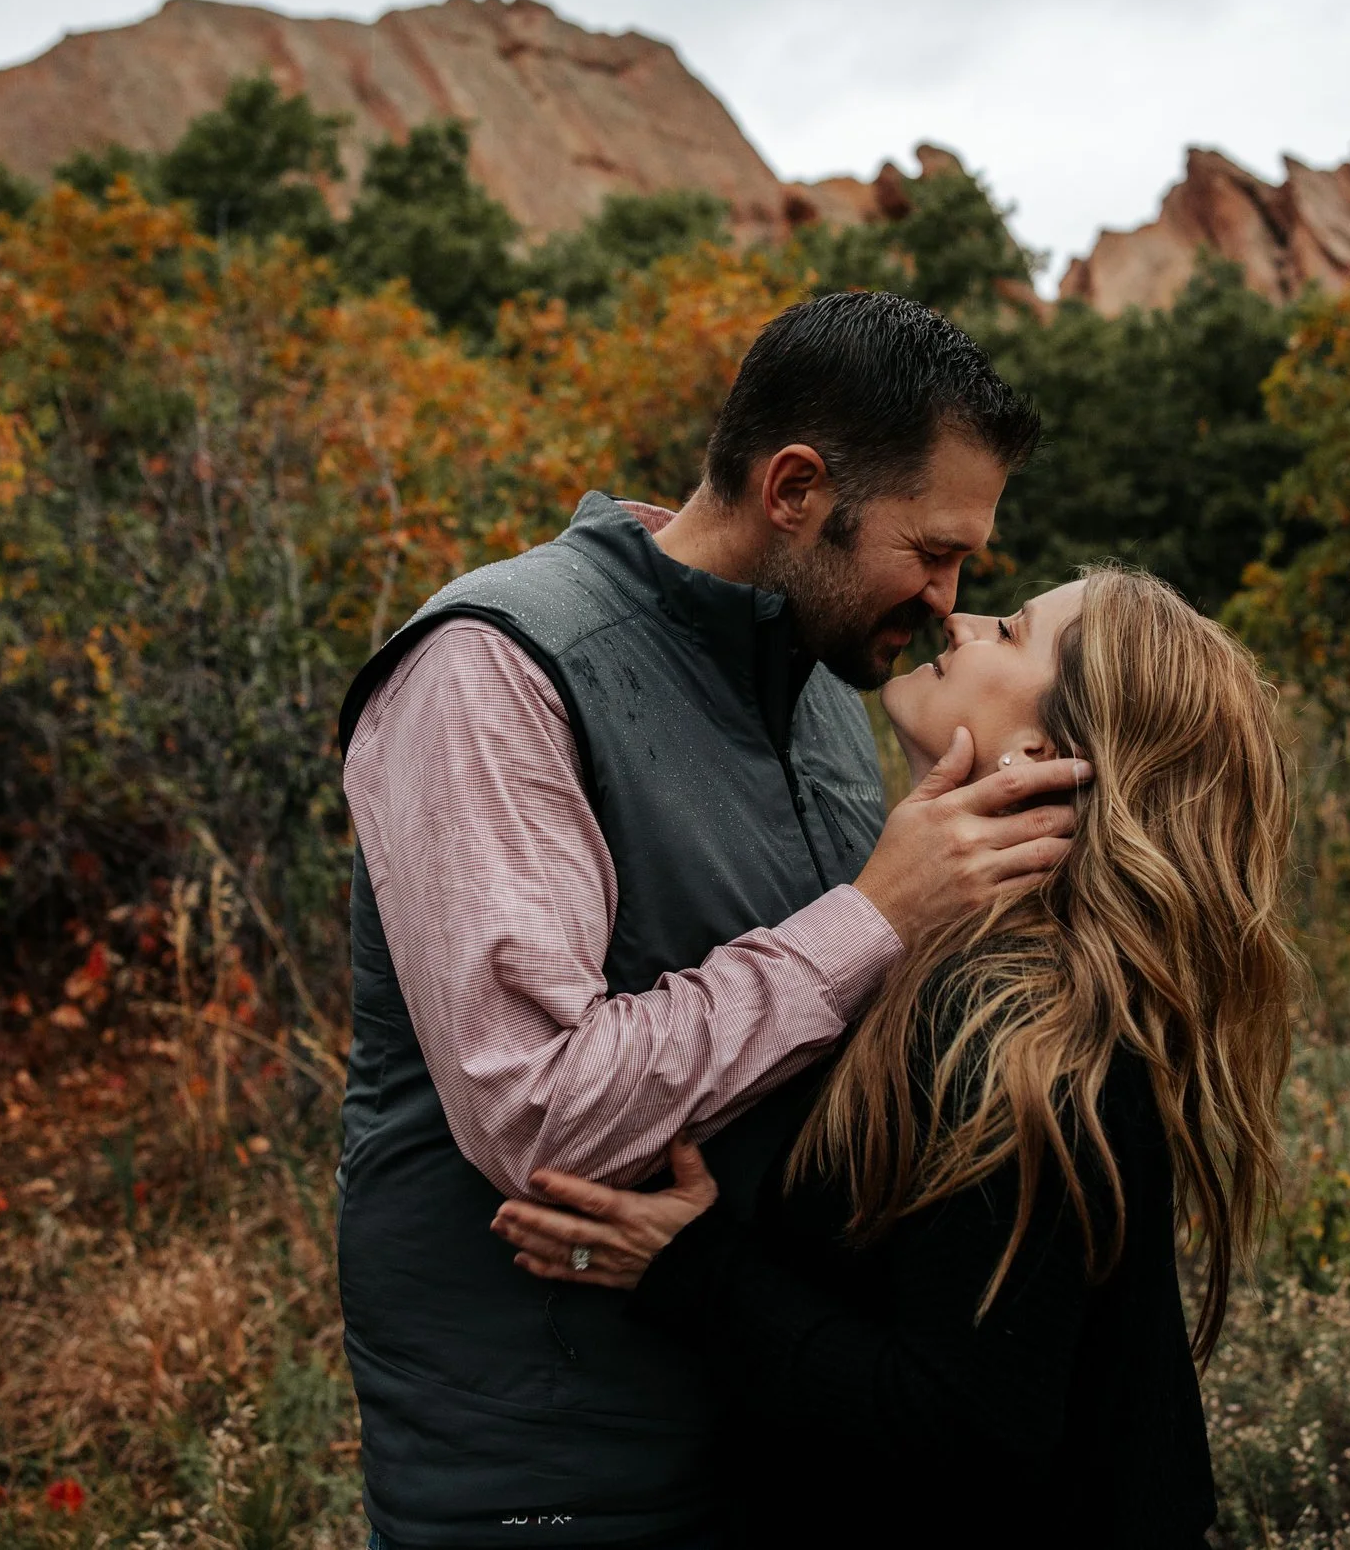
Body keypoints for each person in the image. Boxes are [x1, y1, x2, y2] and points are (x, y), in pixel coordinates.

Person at [335, 291, 1091, 1547]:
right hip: (553, 1473)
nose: (948, 598)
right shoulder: (492, 668)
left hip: (780, 1425)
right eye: (933, 549)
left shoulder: (816, 679)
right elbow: (537, 1109)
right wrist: (872, 915)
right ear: (794, 488)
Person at [490, 568, 1300, 1549]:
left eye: (1007, 629)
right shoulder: (987, 974)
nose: (955, 617)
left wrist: (688, 1268)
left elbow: (968, 1429)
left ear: (1041, 754)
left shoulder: (1010, 1032)